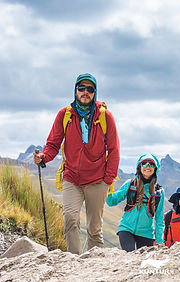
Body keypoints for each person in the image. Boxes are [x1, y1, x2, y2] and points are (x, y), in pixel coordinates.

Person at [33, 73, 120, 254]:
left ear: (95, 93)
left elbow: (114, 150)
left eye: (90, 89)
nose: (85, 92)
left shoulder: (105, 116)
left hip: (97, 180)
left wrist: (107, 179)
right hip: (72, 177)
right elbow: (53, 144)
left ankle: (93, 265)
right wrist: (44, 157)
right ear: (75, 91)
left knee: (94, 228)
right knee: (70, 219)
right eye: (82, 88)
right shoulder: (64, 115)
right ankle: (73, 261)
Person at [106, 154, 165, 252]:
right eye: (144, 163)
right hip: (126, 229)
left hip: (147, 234)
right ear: (139, 167)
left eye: (151, 164)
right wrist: (109, 187)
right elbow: (111, 201)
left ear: (155, 168)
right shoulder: (130, 184)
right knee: (130, 256)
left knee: (143, 263)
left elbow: (159, 219)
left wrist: (160, 242)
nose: (147, 166)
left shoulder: (159, 192)